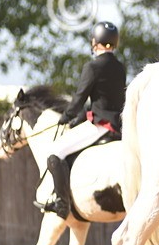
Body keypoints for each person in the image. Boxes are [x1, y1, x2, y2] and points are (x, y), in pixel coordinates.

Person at [34, 22, 127, 218]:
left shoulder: (92, 66)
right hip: (120, 126)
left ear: (95, 42)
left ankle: (62, 203)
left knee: (54, 153)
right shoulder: (120, 67)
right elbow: (104, 99)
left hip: (101, 125)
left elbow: (79, 98)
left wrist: (66, 117)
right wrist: (80, 118)